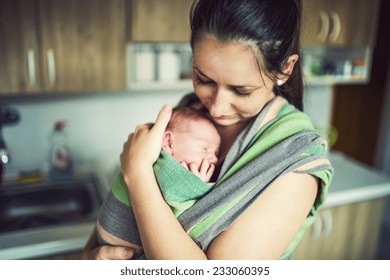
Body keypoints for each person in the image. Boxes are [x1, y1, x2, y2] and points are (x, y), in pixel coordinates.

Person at [82, 0, 333, 260]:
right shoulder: (189, 108)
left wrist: (137, 173)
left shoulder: (298, 161)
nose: (215, 108)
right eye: (203, 79)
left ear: (285, 68)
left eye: (241, 90)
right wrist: (88, 259)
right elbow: (116, 214)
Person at [95, 106, 221, 258]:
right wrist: (195, 184)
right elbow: (179, 203)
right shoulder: (163, 163)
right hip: (121, 241)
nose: (213, 158)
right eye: (205, 148)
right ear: (169, 141)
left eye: (216, 153)